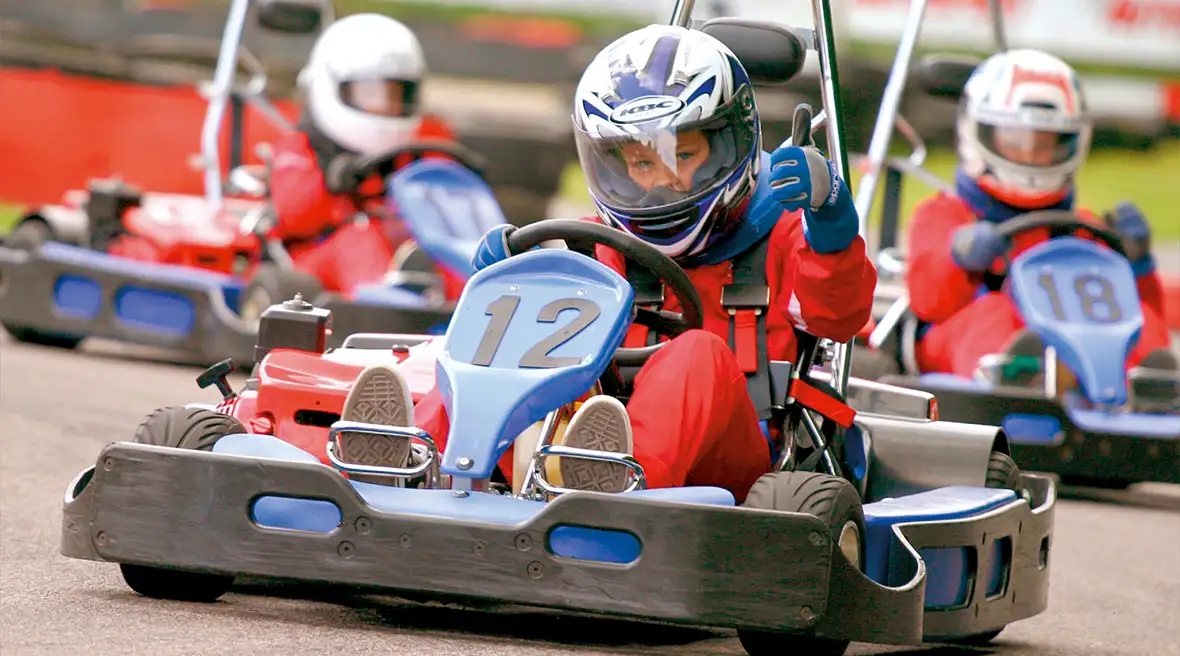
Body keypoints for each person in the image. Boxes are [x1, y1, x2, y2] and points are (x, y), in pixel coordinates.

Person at [335, 24, 876, 502]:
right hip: (579, 443)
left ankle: (613, 484)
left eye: (683, 155)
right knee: (503, 337)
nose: (664, 178)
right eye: (642, 162)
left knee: (697, 352)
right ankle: (414, 459)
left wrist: (830, 224)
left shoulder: (783, 228)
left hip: (734, 459)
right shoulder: (604, 242)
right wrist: (503, 275)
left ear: (730, 142)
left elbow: (838, 317)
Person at [904, 49, 1176, 385]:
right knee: (994, 312)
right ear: (980, 133)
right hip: (961, 356)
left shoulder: (1085, 229)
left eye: (1045, 143)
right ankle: (1014, 377)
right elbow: (928, 302)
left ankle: (1151, 385)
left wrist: (1139, 266)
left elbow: (1124, 305)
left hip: (1074, 360)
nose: (1031, 154)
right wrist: (959, 256)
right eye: (1016, 142)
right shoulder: (946, 214)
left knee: (1137, 319)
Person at [265, 13, 462, 296]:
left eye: (396, 95)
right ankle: (387, 306)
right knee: (360, 235)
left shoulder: (419, 148)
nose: (386, 106)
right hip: (313, 263)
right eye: (372, 94)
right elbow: (293, 215)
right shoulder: (300, 148)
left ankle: (482, 303)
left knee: (443, 244)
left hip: (397, 254)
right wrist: (334, 182)